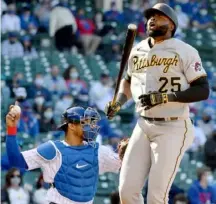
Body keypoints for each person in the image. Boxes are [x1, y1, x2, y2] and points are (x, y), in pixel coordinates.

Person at [105, 3, 210, 204]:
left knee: (156, 197)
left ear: (172, 24)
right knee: (126, 193)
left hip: (173, 126)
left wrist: (166, 97)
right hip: (143, 125)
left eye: (158, 16)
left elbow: (203, 89)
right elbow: (127, 83)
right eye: (150, 16)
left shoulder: (185, 50)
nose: (152, 19)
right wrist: (117, 104)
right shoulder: (137, 50)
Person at [5, 105, 123, 203]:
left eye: (90, 123)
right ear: (71, 125)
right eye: (84, 123)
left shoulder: (99, 151)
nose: (89, 127)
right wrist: (11, 129)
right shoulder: (53, 149)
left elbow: (124, 163)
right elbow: (16, 160)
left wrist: (131, 145)